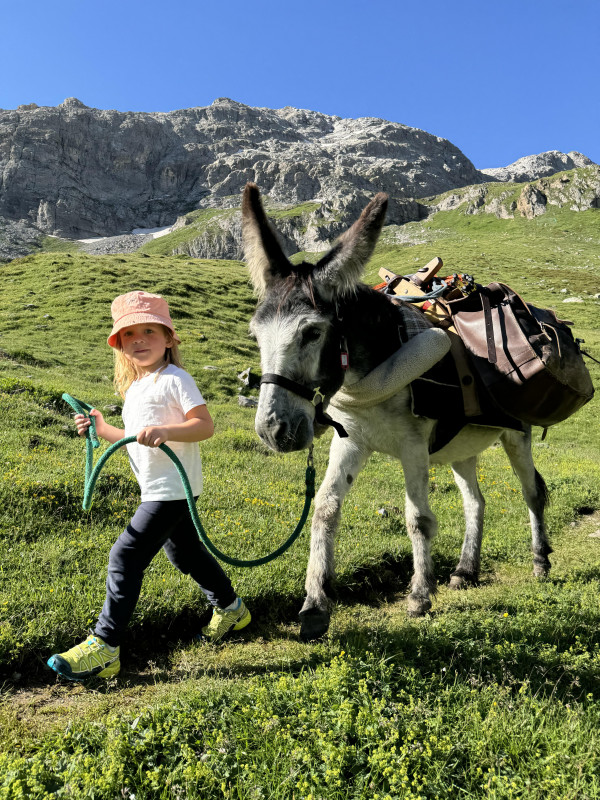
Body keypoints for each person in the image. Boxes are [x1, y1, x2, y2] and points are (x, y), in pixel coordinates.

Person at [47, 290, 250, 680]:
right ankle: (232, 608)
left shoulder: (176, 378)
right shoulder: (136, 387)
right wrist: (100, 428)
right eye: (128, 335)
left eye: (148, 331)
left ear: (169, 339)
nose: (138, 340)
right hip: (158, 487)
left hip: (171, 489)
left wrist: (166, 430)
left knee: (125, 557)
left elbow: (204, 426)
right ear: (119, 345)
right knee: (185, 555)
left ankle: (105, 647)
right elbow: (130, 436)